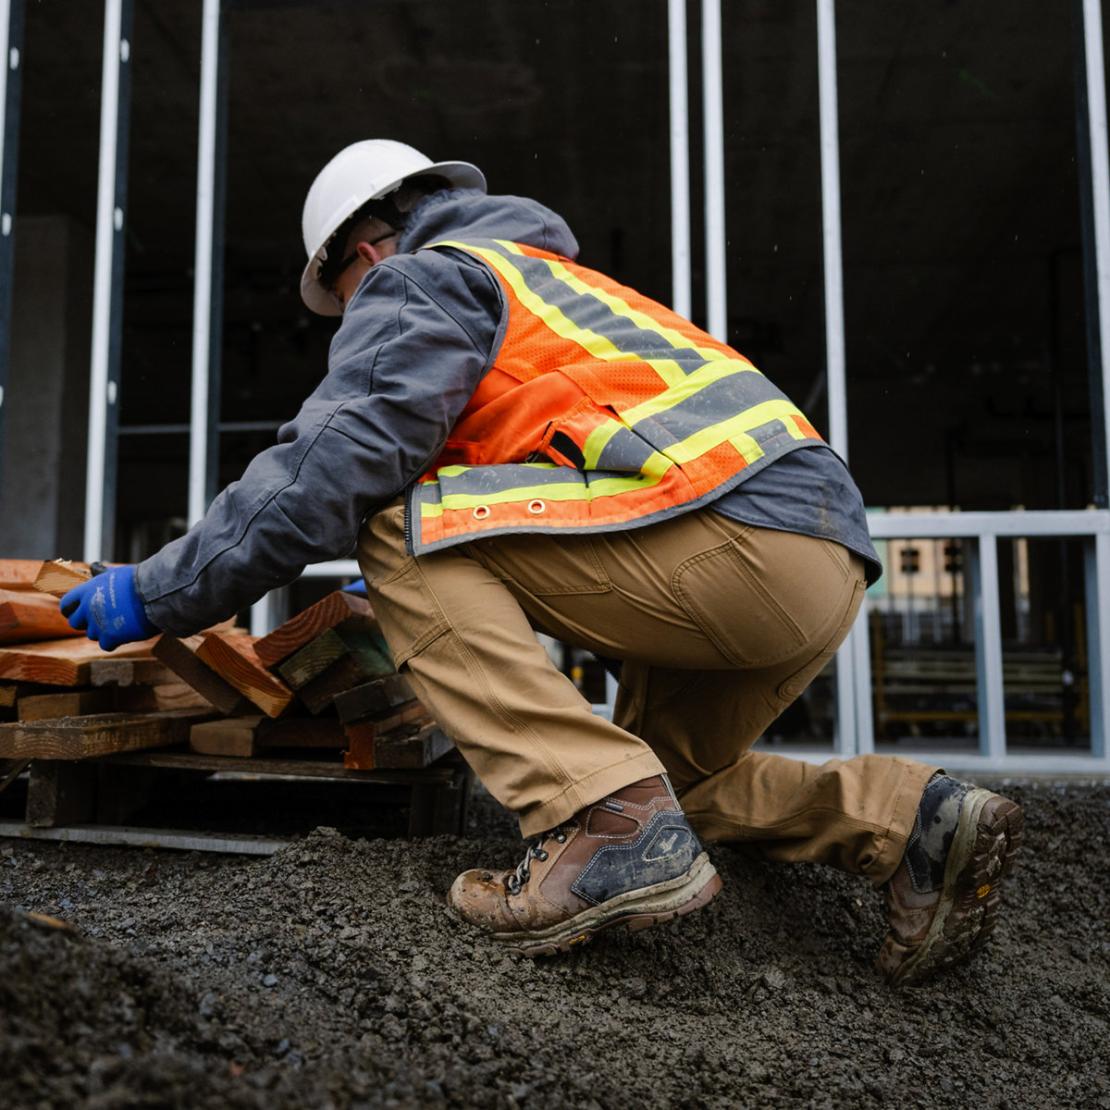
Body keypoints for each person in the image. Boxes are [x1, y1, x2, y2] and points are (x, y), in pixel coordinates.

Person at [61, 140, 1023, 984]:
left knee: (393, 523)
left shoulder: (422, 277)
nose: (352, 330)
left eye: (343, 303)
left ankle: (600, 825)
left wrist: (162, 588)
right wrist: (440, 602)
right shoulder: (551, 287)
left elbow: (332, 468)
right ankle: (909, 822)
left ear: (364, 251)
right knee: (673, 790)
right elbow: (554, 469)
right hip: (818, 558)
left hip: (735, 545)